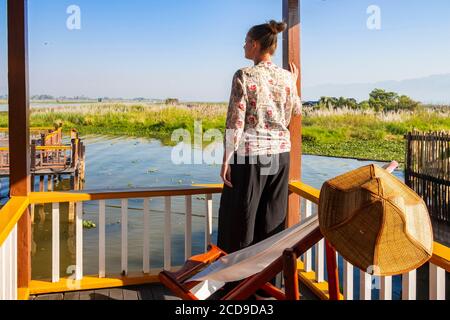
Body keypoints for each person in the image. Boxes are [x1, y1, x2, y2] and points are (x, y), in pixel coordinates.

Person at [216, 20, 302, 297]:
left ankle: (237, 286)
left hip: (251, 156)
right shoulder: (287, 78)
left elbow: (235, 120)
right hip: (280, 156)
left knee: (241, 220)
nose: (243, 45)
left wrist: (227, 157)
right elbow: (296, 110)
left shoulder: (244, 74)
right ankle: (268, 287)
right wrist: (294, 82)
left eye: (245, 41)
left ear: (255, 45)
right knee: (272, 220)